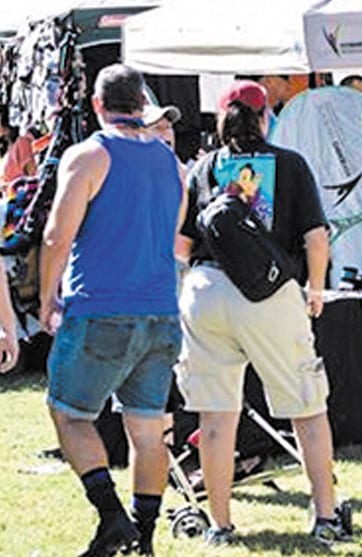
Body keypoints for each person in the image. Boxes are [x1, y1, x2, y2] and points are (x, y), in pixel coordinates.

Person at [174, 80, 350, 546]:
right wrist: (314, 289)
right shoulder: (290, 164)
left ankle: (220, 526)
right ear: (265, 115)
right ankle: (326, 516)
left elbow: (181, 244)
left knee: (215, 418)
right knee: (307, 408)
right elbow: (316, 238)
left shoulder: (203, 168)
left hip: (205, 290)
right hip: (270, 295)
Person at [39, 63, 185, 556]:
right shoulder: (170, 161)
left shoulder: (87, 155)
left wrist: (46, 297)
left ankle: (111, 518)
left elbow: (57, 235)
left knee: (69, 414)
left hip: (102, 306)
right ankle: (142, 539)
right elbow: (175, 228)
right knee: (148, 430)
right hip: (162, 310)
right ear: (142, 106)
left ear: (97, 105)